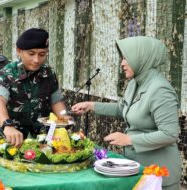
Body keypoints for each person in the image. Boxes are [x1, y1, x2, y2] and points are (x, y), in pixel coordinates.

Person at [71, 36, 182, 189]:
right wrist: (91, 105)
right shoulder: (135, 83)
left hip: (159, 175)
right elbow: (124, 108)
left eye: (126, 58)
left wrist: (129, 140)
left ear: (141, 58)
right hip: (138, 168)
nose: (122, 63)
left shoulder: (160, 90)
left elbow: (170, 134)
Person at [0, 28, 68, 147]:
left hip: (44, 141)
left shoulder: (48, 73)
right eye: (31, 54)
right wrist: (7, 125)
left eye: (42, 54)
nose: (36, 60)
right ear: (19, 51)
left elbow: (56, 101)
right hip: (14, 140)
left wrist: (64, 120)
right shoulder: (7, 73)